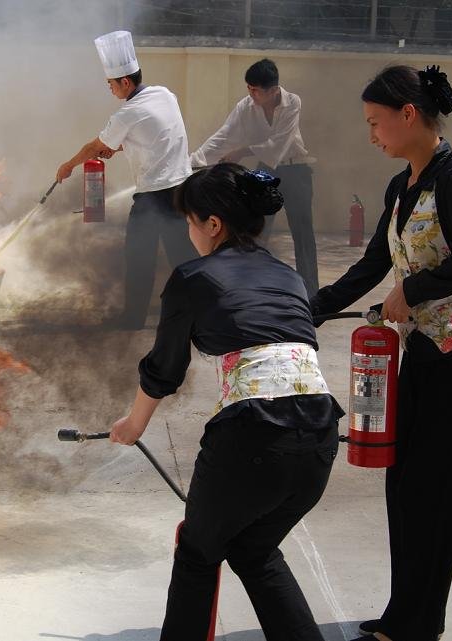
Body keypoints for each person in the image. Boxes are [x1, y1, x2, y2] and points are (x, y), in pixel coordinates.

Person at [109, 162, 344, 641]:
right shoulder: (288, 276)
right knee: (255, 550)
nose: (189, 233)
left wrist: (134, 424)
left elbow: (164, 370)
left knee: (198, 553)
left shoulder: (194, 277)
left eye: (190, 222)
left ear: (212, 224)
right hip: (320, 436)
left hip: (254, 436)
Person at [309, 65, 452, 641]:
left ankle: (420, 623)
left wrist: (411, 291)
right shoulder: (401, 186)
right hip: (419, 353)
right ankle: (403, 613)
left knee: (437, 490)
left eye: (375, 122)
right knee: (406, 484)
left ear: (408, 114)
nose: (372, 135)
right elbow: (373, 263)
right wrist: (310, 308)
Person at [56, 30, 197, 330]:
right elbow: (156, 134)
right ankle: (204, 311)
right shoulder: (163, 94)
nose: (110, 89)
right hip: (183, 187)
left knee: (138, 257)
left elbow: (95, 147)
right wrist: (121, 146)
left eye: (111, 84)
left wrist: (68, 166)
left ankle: (133, 319)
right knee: (184, 258)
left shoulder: (127, 113)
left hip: (154, 195)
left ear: (125, 82)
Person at [190, 58, 318, 295]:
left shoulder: (292, 103)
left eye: (256, 90)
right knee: (256, 229)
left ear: (273, 90)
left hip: (295, 169)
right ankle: (254, 286)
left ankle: (311, 292)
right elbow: (224, 136)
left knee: (302, 230)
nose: (251, 94)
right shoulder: (245, 106)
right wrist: (195, 161)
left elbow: (279, 144)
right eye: (248, 88)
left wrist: (242, 151)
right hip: (266, 170)